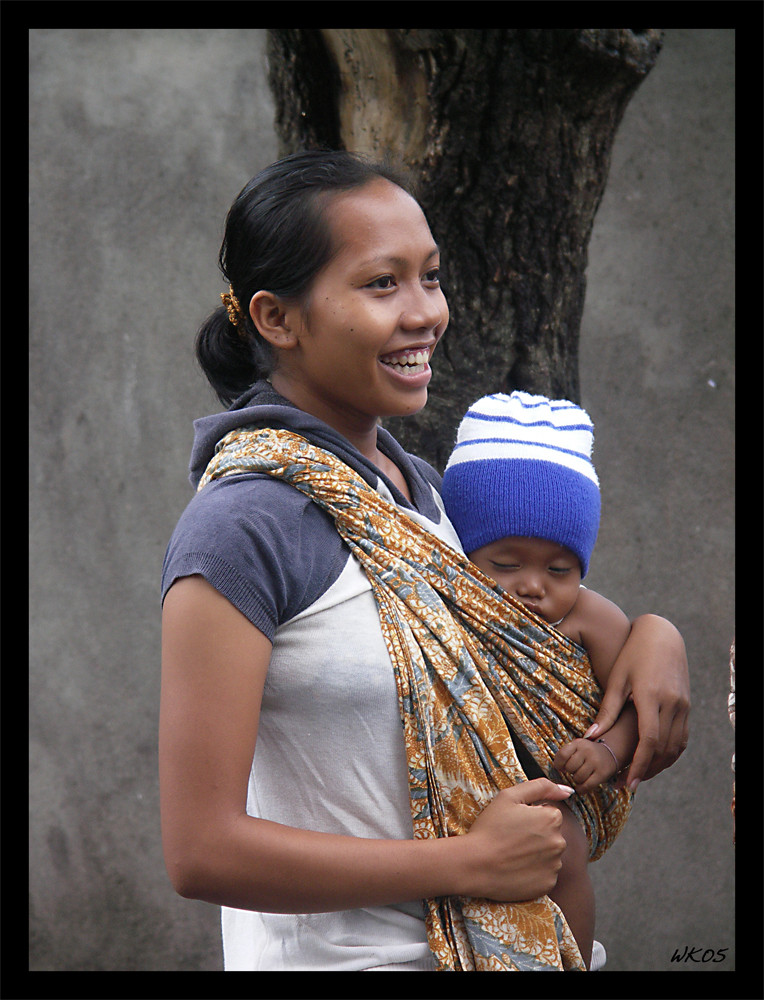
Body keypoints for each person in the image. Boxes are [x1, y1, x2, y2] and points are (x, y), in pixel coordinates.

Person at [159, 150, 690, 972]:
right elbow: (201, 850)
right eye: (382, 284)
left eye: (431, 278)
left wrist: (655, 638)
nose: (426, 314)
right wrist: (467, 864)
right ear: (275, 318)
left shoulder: (422, 499)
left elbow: (538, 621)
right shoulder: (243, 528)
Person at [440, 390, 641, 968]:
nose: (533, 585)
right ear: (462, 553)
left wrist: (604, 751)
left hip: (556, 788)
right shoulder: (443, 604)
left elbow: (629, 705)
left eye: (560, 569)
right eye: (506, 564)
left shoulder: (591, 618)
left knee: (565, 850)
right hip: (464, 787)